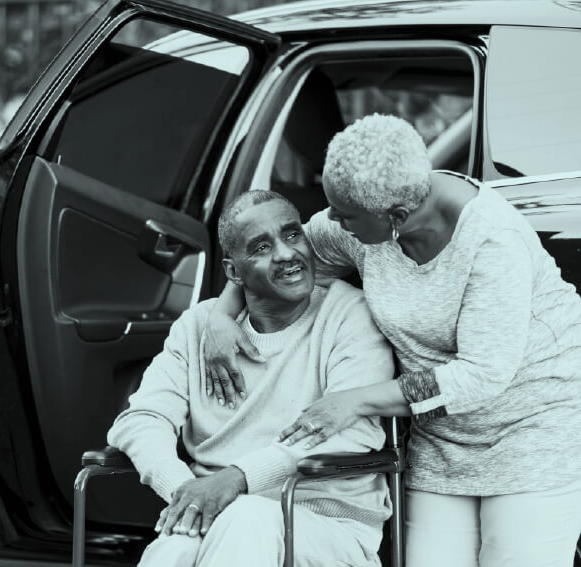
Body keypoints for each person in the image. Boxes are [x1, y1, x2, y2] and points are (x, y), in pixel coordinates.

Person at [203, 114, 581, 567]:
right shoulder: (364, 223)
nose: (331, 221)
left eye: (344, 214)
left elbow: (481, 377)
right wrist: (223, 316)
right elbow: (282, 257)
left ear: (396, 217)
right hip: (441, 442)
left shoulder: (491, 243)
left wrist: (354, 401)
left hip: (529, 432)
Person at [107, 190, 395, 567]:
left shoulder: (349, 315)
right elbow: (142, 420)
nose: (286, 254)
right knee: (174, 548)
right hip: (221, 517)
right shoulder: (198, 328)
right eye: (261, 247)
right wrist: (186, 492)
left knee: (248, 518)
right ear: (232, 271)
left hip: (328, 526)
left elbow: (350, 431)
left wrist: (236, 479)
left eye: (293, 236)